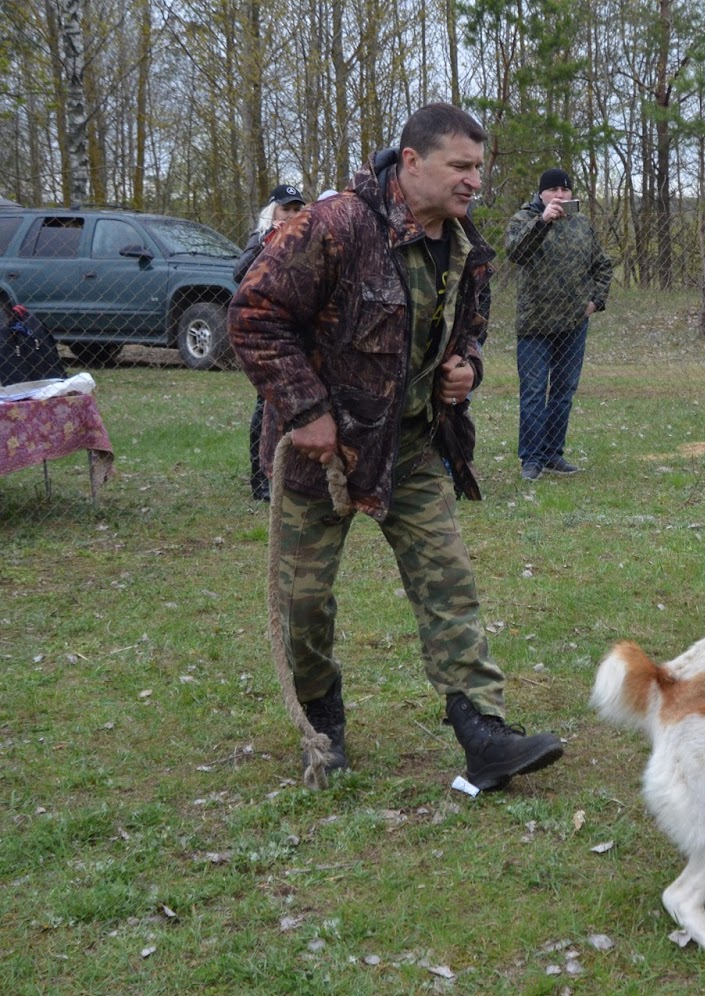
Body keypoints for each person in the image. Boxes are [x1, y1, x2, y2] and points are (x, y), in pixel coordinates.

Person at [228, 103, 563, 793]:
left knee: (449, 583)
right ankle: (323, 723)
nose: (475, 181)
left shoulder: (466, 245)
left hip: (410, 444)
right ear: (411, 162)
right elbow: (254, 314)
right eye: (460, 166)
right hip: (321, 456)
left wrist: (467, 368)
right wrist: (306, 410)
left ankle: (483, 731)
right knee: (304, 605)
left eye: (479, 167)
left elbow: (470, 329)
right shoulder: (335, 226)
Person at [504, 167, 613, 481]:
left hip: (573, 324)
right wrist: (542, 222)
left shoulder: (581, 224)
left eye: (565, 190)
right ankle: (531, 459)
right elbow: (516, 253)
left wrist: (595, 301)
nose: (560, 195)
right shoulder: (523, 220)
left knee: (563, 391)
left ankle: (552, 454)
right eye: (553, 190)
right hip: (535, 324)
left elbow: (603, 265)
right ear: (541, 193)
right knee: (534, 392)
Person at [234, 183, 306, 501]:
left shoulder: (307, 237)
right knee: (266, 403)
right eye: (285, 209)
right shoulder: (262, 236)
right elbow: (239, 273)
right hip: (266, 330)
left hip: (299, 328)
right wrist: (267, 244)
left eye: (296, 209)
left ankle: (292, 474)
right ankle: (260, 479)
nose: (290, 215)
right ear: (273, 210)